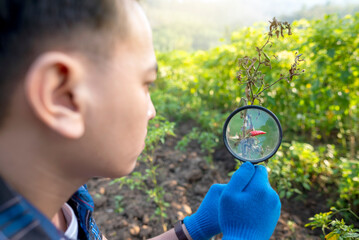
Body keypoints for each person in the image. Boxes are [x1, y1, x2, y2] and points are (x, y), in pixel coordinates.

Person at [0, 1, 281, 239]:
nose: (152, 111)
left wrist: (192, 229)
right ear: (62, 96)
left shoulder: (63, 204)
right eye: (146, 84)